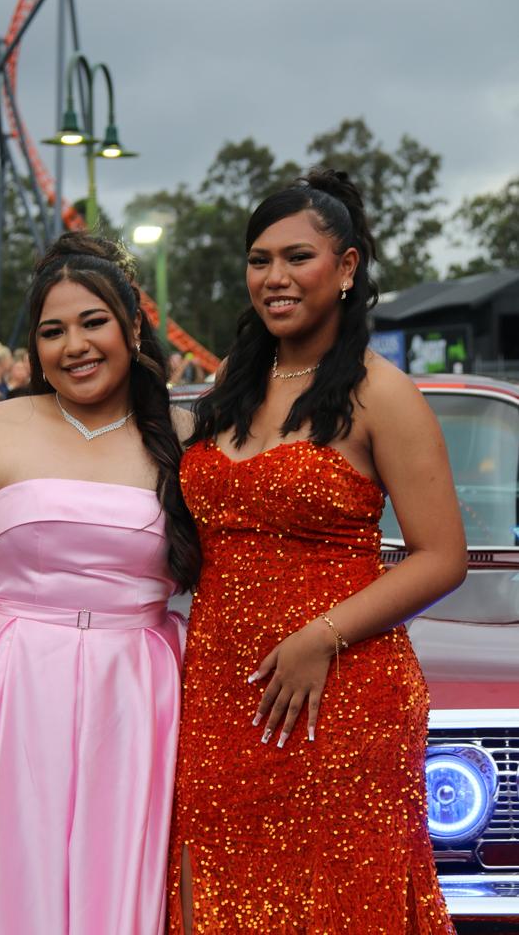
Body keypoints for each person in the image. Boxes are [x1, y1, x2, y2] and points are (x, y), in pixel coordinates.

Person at [168, 170, 466, 934]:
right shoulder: (235, 382)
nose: (274, 278)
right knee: (219, 896)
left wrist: (318, 638)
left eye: (297, 257)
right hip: (218, 693)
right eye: (258, 259)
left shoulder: (381, 393)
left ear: (349, 267)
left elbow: (441, 556)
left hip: (340, 695)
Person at [0, 232, 200, 935]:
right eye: (52, 331)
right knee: (8, 878)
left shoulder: (184, 433)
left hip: (140, 693)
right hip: (10, 685)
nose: (76, 346)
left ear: (131, 327)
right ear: (34, 347)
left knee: (121, 876)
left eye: (93, 322)